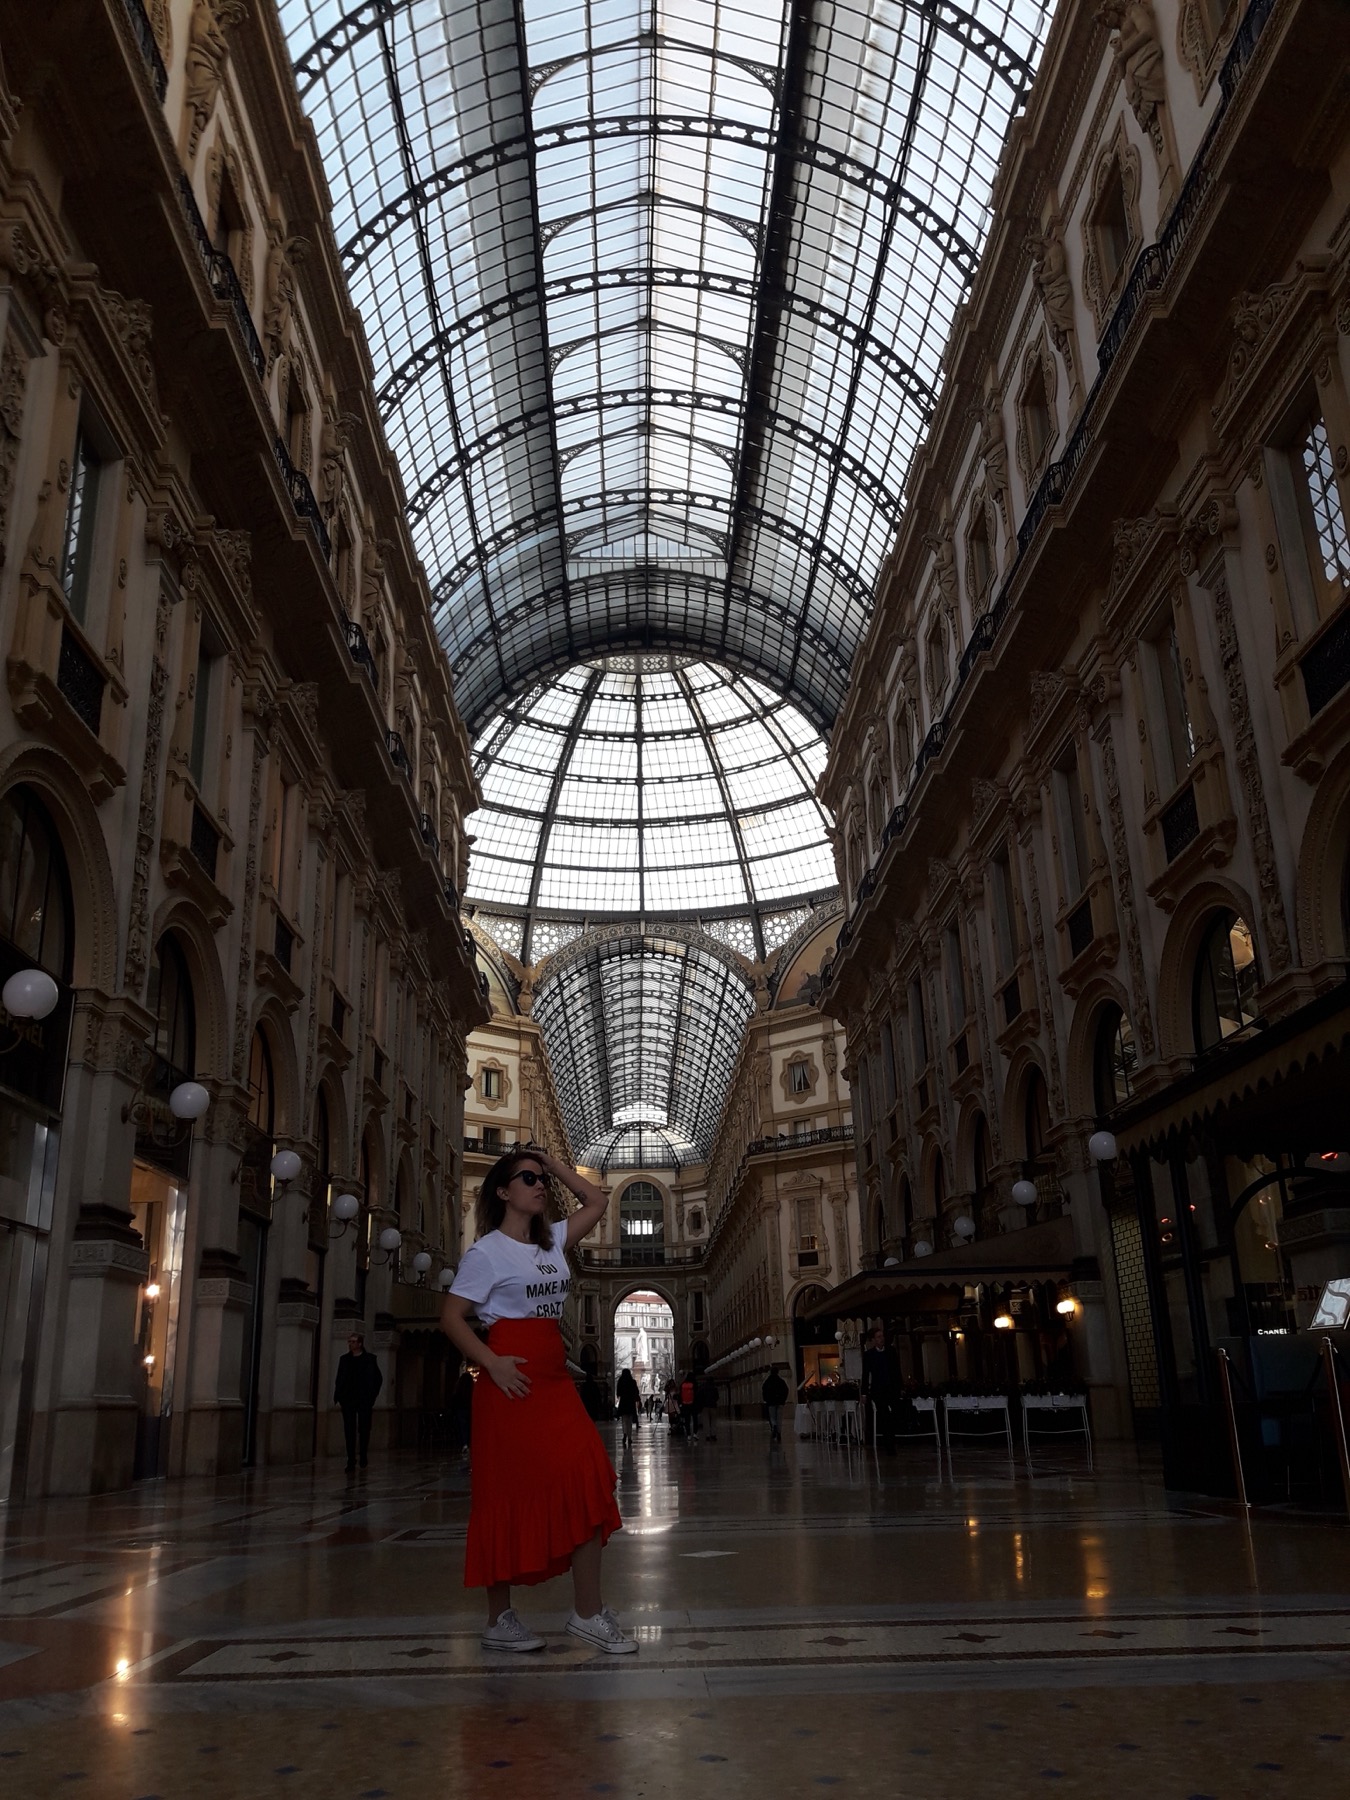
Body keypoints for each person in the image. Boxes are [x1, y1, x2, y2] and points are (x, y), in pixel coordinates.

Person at [440, 1146, 636, 1657]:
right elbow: (452, 1316)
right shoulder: (486, 1253)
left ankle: (588, 1614)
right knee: (503, 1495)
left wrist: (551, 1165)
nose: (538, 1185)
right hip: (511, 1382)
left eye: (539, 1179)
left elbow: (596, 1200)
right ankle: (498, 1619)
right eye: (527, 1178)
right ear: (503, 1192)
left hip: (553, 1381)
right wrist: (490, 1362)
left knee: (589, 1478)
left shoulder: (552, 1243)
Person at [333, 1331, 382, 1473]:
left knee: (364, 1428)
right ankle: (350, 1459)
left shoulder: (370, 1359)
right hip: (348, 1399)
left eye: (353, 1341)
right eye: (349, 1341)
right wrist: (339, 1395)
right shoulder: (344, 1359)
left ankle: (363, 1455)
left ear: (360, 1344)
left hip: (364, 1399)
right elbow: (339, 1377)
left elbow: (377, 1379)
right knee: (349, 1429)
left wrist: (372, 1395)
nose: (351, 1344)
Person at [861, 1324, 900, 1451]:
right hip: (879, 1390)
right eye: (878, 1337)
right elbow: (865, 1375)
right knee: (884, 1415)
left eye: (882, 1336)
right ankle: (888, 1443)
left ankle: (892, 1439)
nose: (881, 1339)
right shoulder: (869, 1355)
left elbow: (897, 1370)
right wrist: (864, 1393)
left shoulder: (891, 1351)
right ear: (873, 1340)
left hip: (891, 1388)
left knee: (894, 1414)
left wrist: (900, 1386)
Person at [762, 1365, 789, 1444]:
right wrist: (783, 1399)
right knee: (779, 1418)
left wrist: (766, 1399)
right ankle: (779, 1432)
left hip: (771, 1402)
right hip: (780, 1402)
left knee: (772, 1417)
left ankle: (774, 1426)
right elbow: (786, 1390)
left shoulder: (767, 1382)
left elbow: (764, 1390)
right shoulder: (781, 1381)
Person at [616, 1367, 641, 1449]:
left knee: (624, 1420)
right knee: (629, 1421)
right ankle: (629, 1437)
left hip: (623, 1402)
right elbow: (636, 1392)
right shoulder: (632, 1382)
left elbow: (618, 1392)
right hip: (630, 1403)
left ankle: (624, 1434)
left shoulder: (621, 1381)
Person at [696, 1370, 719, 1442]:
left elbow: (699, 1396)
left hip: (705, 1406)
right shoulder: (714, 1388)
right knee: (713, 1421)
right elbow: (717, 1397)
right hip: (713, 1406)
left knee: (706, 1421)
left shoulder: (703, 1388)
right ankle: (714, 1435)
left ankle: (707, 1435)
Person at [679, 1371, 698, 1442]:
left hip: (685, 1404)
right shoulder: (694, 1384)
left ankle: (688, 1435)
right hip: (693, 1404)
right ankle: (695, 1433)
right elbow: (696, 1394)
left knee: (687, 1420)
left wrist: (681, 1403)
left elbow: (680, 1395)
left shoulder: (683, 1384)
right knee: (695, 1419)